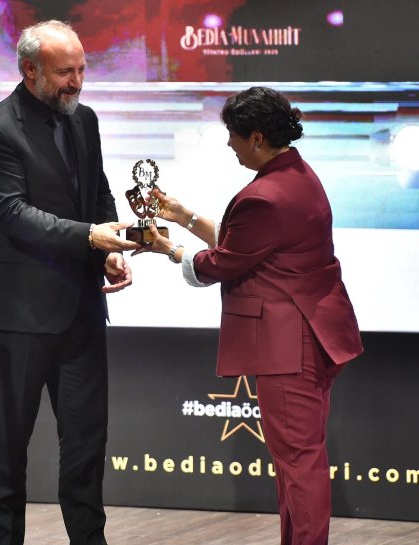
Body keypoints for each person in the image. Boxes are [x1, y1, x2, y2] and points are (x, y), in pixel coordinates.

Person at [143, 86, 363, 545]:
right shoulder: (299, 175)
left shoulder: (263, 196)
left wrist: (169, 249)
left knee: (298, 465)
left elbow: (222, 262)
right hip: (313, 336)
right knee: (297, 463)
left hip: (288, 347)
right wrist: (185, 216)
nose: (229, 144)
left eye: (233, 135)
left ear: (257, 137)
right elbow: (248, 243)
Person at [0, 20, 139, 545]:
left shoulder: (84, 119)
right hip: (19, 314)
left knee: (87, 444)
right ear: (30, 70)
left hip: (81, 310)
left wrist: (110, 250)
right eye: (66, 72)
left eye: (82, 69)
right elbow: (13, 214)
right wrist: (90, 237)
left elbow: (98, 193)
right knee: (9, 446)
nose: (77, 81)